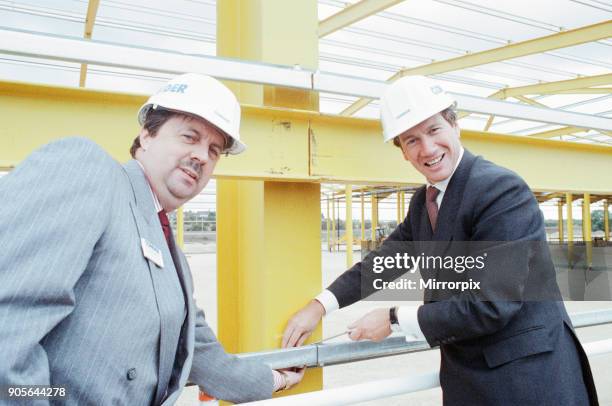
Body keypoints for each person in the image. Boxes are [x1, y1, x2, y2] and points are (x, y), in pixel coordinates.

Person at [282, 75, 598, 405]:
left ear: (454, 125)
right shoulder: (425, 202)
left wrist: (393, 318)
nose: (428, 149)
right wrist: (319, 306)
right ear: (402, 152)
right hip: (470, 378)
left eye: (434, 130)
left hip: (528, 380)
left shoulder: (500, 191)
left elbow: (492, 305)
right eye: (412, 140)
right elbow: (386, 260)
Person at [0, 73, 303, 405]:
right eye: (190, 136)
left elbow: (206, 357)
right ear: (146, 135)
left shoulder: (171, 257)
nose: (202, 155)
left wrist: (277, 378)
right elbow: (8, 333)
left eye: (214, 150)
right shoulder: (90, 171)